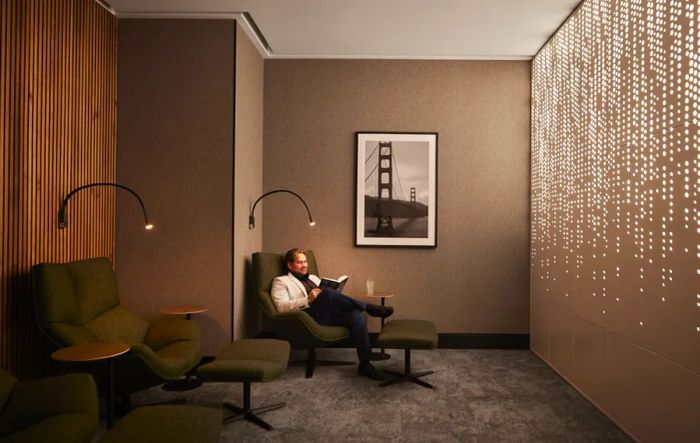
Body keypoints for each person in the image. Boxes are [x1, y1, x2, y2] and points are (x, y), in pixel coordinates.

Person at [271, 248, 393, 380]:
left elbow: (327, 299)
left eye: (305, 262)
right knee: (328, 293)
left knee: (356, 315)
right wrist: (307, 299)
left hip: (325, 313)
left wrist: (337, 291)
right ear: (290, 265)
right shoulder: (281, 281)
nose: (305, 265)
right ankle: (368, 307)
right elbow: (281, 307)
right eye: (300, 262)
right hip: (307, 319)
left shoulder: (312, 277)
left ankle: (365, 365)